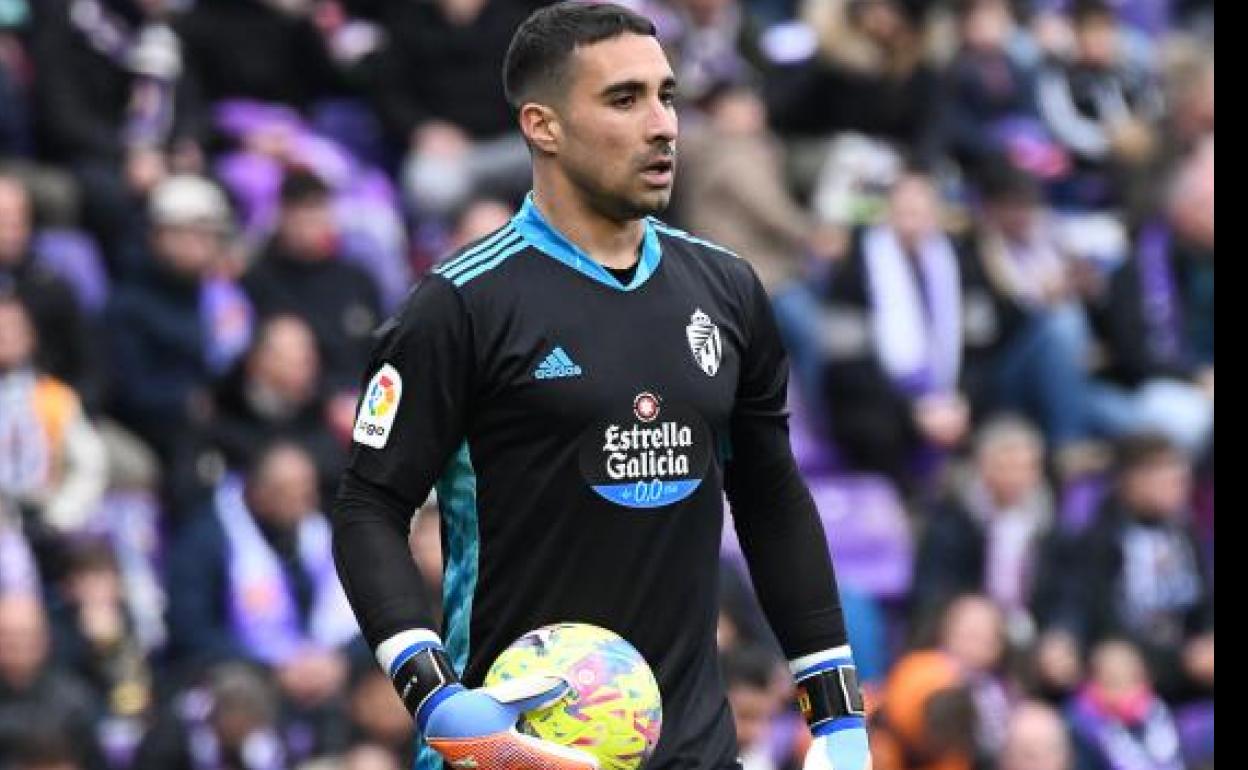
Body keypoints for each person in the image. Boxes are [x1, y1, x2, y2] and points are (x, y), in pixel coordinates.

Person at [330, 4, 869, 769]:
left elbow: (771, 496)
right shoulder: (461, 305)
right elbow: (366, 507)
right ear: (542, 126)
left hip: (694, 750)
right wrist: (439, 700)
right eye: (624, 100)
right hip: (509, 754)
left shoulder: (727, 290)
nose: (663, 125)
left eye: (668, 96)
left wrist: (839, 719)